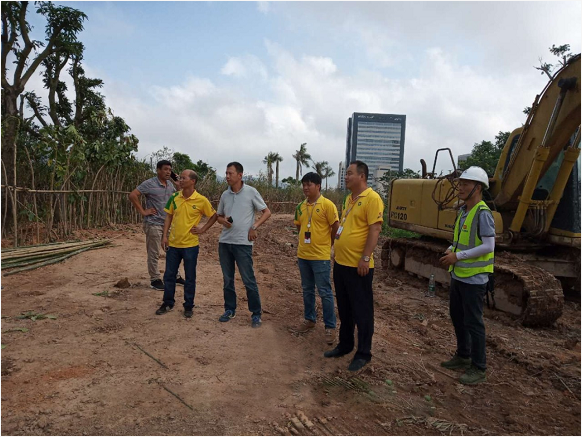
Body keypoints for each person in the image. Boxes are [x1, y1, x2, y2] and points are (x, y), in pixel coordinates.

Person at [324, 160, 384, 372]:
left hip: (359, 266)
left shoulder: (372, 198)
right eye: (346, 173)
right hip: (341, 264)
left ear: (362, 176)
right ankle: (346, 344)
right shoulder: (349, 199)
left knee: (362, 311)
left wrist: (365, 258)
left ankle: (364, 353)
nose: (346, 176)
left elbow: (375, 230)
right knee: (345, 308)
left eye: (349, 173)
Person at [439, 166, 495, 385]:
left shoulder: (482, 213)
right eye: (460, 184)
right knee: (457, 317)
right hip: (459, 275)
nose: (460, 188)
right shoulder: (464, 211)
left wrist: (458, 256)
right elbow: (461, 240)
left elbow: (488, 246)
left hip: (474, 278)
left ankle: (479, 367)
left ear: (478, 188)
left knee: (474, 323)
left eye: (465, 184)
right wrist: (451, 249)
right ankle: (463, 355)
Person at [215, 162, 272, 328]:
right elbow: (218, 216)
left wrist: (254, 227)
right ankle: (229, 309)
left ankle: (256, 313)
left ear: (240, 175)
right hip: (225, 242)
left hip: (242, 244)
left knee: (248, 280)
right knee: (227, 279)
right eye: (226, 173)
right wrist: (223, 221)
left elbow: (267, 212)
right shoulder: (225, 195)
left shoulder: (251, 192)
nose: (227, 176)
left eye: (230, 173)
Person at [155, 170, 217, 318]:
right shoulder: (174, 197)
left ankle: (188, 305)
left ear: (192, 181)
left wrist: (202, 229)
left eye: (184, 178)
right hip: (173, 244)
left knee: (190, 277)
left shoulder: (201, 200)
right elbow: (169, 216)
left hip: (190, 246)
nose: (180, 180)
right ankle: (167, 302)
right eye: (180, 178)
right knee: (169, 276)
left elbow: (214, 216)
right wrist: (164, 236)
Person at [290, 172, 339, 345]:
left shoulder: (328, 205)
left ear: (318, 186)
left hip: (320, 257)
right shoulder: (300, 207)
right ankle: (309, 319)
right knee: (307, 289)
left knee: (324, 292)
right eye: (303, 184)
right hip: (303, 255)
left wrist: (328, 245)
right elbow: (299, 228)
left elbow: (335, 227)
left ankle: (330, 327)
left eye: (309, 184)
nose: (305, 188)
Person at [129, 160, 184, 290]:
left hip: (168, 224)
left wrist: (178, 186)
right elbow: (133, 195)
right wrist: (143, 211)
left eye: (170, 170)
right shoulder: (149, 184)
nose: (168, 172)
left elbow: (178, 198)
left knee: (173, 251)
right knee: (154, 253)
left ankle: (175, 275)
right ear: (158, 170)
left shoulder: (170, 185)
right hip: (153, 223)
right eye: (165, 169)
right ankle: (155, 279)